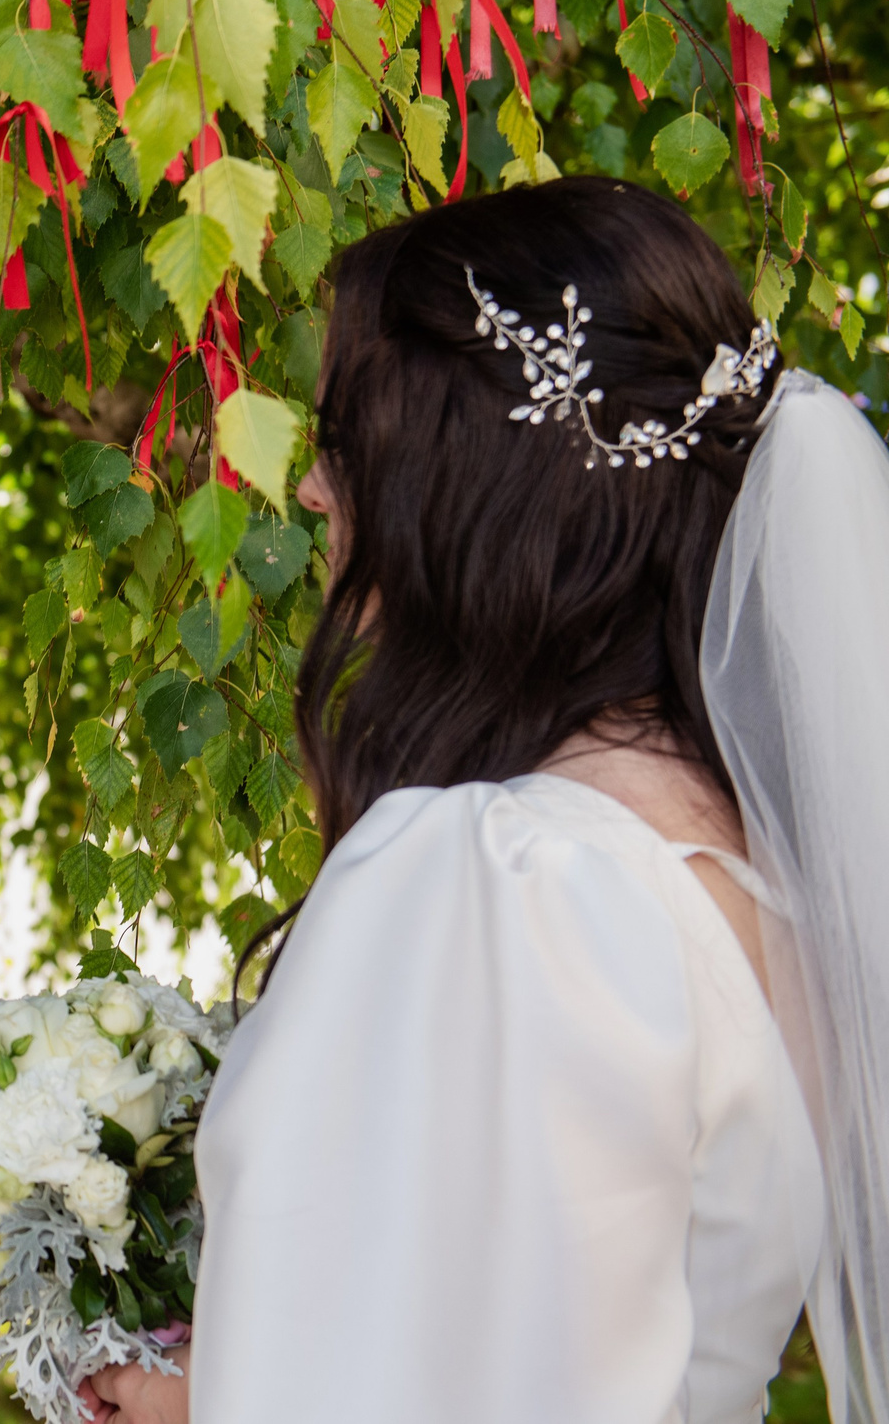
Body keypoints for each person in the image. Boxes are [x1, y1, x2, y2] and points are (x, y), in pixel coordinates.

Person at [81, 176, 889, 1422]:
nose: (311, 493)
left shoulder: (504, 875)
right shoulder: (761, 879)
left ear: (471, 497)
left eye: (349, 445)